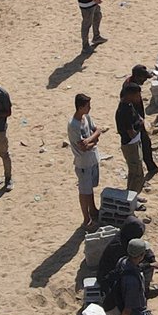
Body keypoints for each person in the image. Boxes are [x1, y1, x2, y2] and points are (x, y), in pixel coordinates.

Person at [69, 93, 105, 229]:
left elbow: (97, 131)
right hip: (83, 163)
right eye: (87, 106)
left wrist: (90, 140)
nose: (90, 108)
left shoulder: (86, 117)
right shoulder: (74, 125)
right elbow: (82, 147)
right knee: (84, 192)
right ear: (80, 107)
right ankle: (86, 220)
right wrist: (93, 140)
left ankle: (93, 210)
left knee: (90, 190)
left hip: (92, 159)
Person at [124, 65, 158, 175]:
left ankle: (151, 167)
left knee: (146, 144)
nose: (145, 80)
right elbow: (128, 109)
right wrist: (138, 120)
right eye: (143, 78)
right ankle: (146, 169)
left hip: (138, 120)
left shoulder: (133, 84)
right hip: (133, 123)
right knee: (143, 145)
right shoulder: (129, 88)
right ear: (137, 77)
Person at [116, 81, 148, 194]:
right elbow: (131, 133)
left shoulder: (128, 105)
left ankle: (132, 196)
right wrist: (140, 125)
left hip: (135, 143)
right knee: (138, 174)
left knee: (133, 173)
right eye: (137, 95)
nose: (139, 98)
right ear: (130, 95)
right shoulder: (124, 111)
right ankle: (132, 199)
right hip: (131, 146)